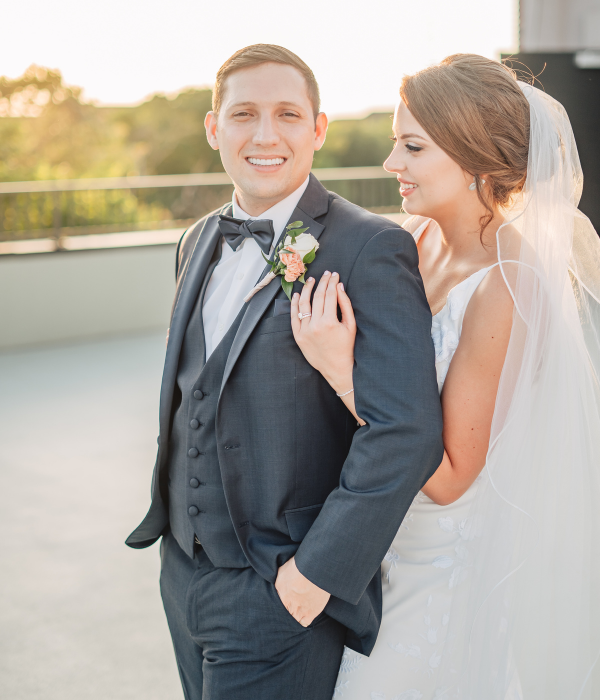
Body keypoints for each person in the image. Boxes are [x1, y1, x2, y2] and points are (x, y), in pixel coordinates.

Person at [125, 43, 444, 700]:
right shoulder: (197, 239)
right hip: (184, 575)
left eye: (287, 115)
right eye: (243, 114)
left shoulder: (369, 246)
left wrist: (314, 576)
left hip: (282, 590)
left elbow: (406, 430)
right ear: (214, 128)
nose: (265, 135)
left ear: (317, 129)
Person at [293, 54, 600, 699]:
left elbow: (455, 477)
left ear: (474, 161)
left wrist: (342, 370)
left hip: (437, 563)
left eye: (411, 146)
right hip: (372, 534)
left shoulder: (510, 287)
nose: (390, 164)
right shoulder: (411, 239)